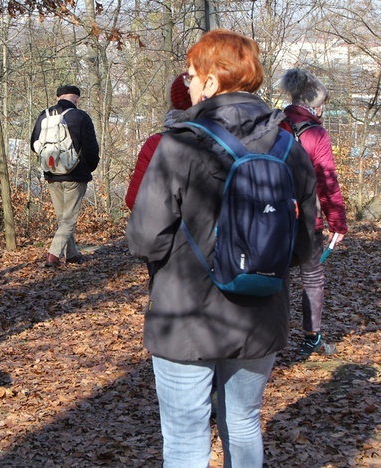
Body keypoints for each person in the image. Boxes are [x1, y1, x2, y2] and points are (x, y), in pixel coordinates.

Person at [126, 30, 317, 467]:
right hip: (260, 311)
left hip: (185, 314)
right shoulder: (290, 147)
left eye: (191, 75)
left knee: (186, 435)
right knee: (245, 422)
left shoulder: (180, 143)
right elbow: (304, 245)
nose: (188, 83)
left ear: (211, 82)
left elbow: (144, 238)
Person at [279, 68, 348, 356]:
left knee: (274, 276)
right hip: (309, 219)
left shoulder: (275, 126)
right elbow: (327, 182)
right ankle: (312, 337)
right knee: (312, 277)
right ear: (313, 104)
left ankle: (271, 339)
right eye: (322, 105)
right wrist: (338, 224)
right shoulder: (317, 134)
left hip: (274, 216)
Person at [31, 85, 100, 267]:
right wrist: (89, 168)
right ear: (76, 99)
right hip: (75, 174)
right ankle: (53, 255)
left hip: (52, 174)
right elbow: (91, 149)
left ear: (58, 97)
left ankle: (72, 254)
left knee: (63, 218)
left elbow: (33, 144)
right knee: (69, 219)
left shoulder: (44, 116)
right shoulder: (80, 116)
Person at [125, 72, 193, 210]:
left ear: (173, 101)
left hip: (167, 228)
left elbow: (134, 200)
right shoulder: (230, 141)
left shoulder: (157, 144)